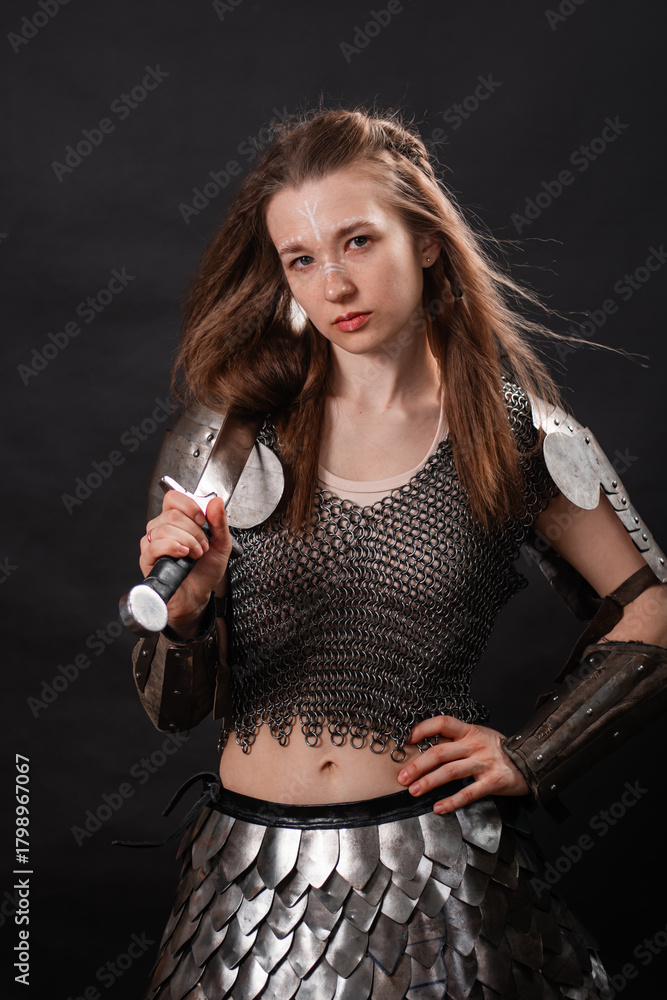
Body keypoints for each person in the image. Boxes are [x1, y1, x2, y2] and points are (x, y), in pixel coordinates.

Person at [129, 107, 667, 1000]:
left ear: (421, 239)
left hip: (429, 879)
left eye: (358, 242)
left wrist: (534, 753)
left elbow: (653, 610)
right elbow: (171, 713)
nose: (334, 284)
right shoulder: (222, 442)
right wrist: (183, 621)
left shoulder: (514, 435)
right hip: (244, 885)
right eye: (302, 260)